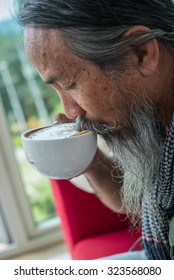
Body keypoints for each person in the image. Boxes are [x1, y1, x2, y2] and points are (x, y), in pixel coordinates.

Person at [19, 0, 174, 260]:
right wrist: (89, 161)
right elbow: (137, 199)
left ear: (141, 53)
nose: (70, 111)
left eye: (69, 84)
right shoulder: (153, 120)